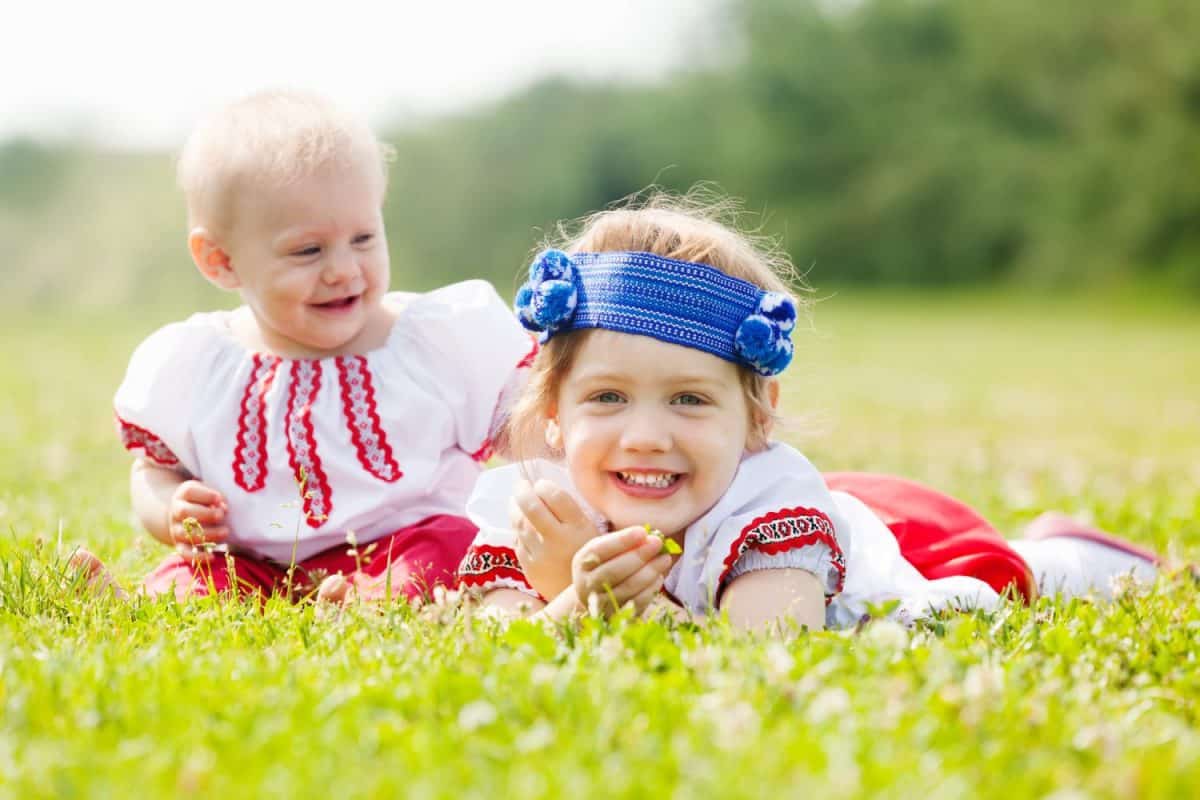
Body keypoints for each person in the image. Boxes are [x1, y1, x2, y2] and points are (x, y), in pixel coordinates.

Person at [456, 194, 1171, 630]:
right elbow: (499, 642)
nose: (645, 437)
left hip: (900, 549)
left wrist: (622, 606)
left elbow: (760, 659)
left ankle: (1082, 549)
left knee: (1023, 574)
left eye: (690, 399)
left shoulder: (774, 519)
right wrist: (566, 595)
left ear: (757, 414)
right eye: (607, 398)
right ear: (552, 410)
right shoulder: (541, 504)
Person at [74, 90, 536, 604]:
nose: (343, 269)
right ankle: (134, 603)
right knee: (195, 581)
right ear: (220, 260)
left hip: (401, 546)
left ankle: (368, 599)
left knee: (448, 549)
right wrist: (170, 511)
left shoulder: (431, 341)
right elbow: (155, 472)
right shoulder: (200, 364)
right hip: (255, 562)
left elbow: (525, 429)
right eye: (308, 250)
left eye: (363, 239)